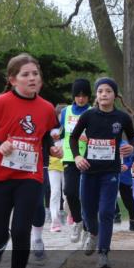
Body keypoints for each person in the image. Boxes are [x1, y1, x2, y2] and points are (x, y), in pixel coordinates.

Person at [0, 53, 59, 268]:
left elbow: (45, 136)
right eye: (26, 74)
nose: (32, 78)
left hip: (29, 177)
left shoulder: (46, 108)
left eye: (35, 74)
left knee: (21, 231)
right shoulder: (0, 103)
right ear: (13, 80)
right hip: (0, 176)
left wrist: (52, 148)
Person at [70, 77, 134, 268]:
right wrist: (77, 157)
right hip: (89, 171)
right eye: (100, 91)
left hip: (110, 172)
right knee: (88, 211)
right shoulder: (89, 116)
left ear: (115, 95)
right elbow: (73, 138)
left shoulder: (122, 118)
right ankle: (92, 233)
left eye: (108, 91)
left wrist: (131, 148)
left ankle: (104, 253)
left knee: (106, 211)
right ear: (96, 96)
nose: (104, 94)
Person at [56, 79, 91, 241]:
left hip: (89, 157)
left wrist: (89, 137)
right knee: (69, 191)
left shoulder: (93, 111)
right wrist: (56, 137)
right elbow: (62, 132)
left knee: (85, 194)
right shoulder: (66, 111)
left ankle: (88, 226)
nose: (81, 99)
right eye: (78, 95)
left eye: (84, 95)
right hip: (70, 156)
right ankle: (77, 221)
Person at [48, 104, 66, 231]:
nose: (62, 117)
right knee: (55, 192)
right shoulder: (50, 129)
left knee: (67, 193)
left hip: (67, 164)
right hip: (53, 164)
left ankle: (69, 213)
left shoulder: (71, 129)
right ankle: (54, 221)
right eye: (60, 115)